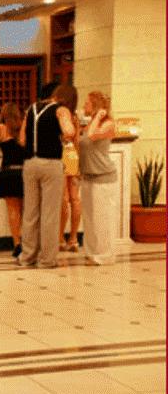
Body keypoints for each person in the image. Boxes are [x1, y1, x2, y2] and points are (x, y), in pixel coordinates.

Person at [18, 84, 76, 269]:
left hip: (30, 164)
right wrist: (63, 136)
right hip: (51, 164)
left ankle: (27, 257)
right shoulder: (61, 110)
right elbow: (69, 132)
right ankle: (47, 259)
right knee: (50, 213)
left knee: (30, 213)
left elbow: (22, 140)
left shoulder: (31, 109)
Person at [79, 91, 117, 265]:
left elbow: (92, 136)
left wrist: (99, 116)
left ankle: (104, 255)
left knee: (102, 218)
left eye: (87, 103)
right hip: (88, 176)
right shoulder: (89, 123)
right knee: (89, 219)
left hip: (103, 177)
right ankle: (91, 252)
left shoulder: (108, 124)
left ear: (95, 105)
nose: (83, 106)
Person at [0, 102, 25, 257]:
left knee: (13, 211)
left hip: (8, 173)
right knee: (25, 211)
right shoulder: (24, 127)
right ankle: (28, 241)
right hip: (24, 172)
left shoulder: (2, 128)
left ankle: (17, 243)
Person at [58, 89, 82, 252]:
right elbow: (77, 140)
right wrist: (78, 163)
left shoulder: (60, 114)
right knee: (75, 199)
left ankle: (60, 237)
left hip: (61, 153)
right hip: (72, 153)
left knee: (64, 198)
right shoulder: (75, 117)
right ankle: (73, 239)